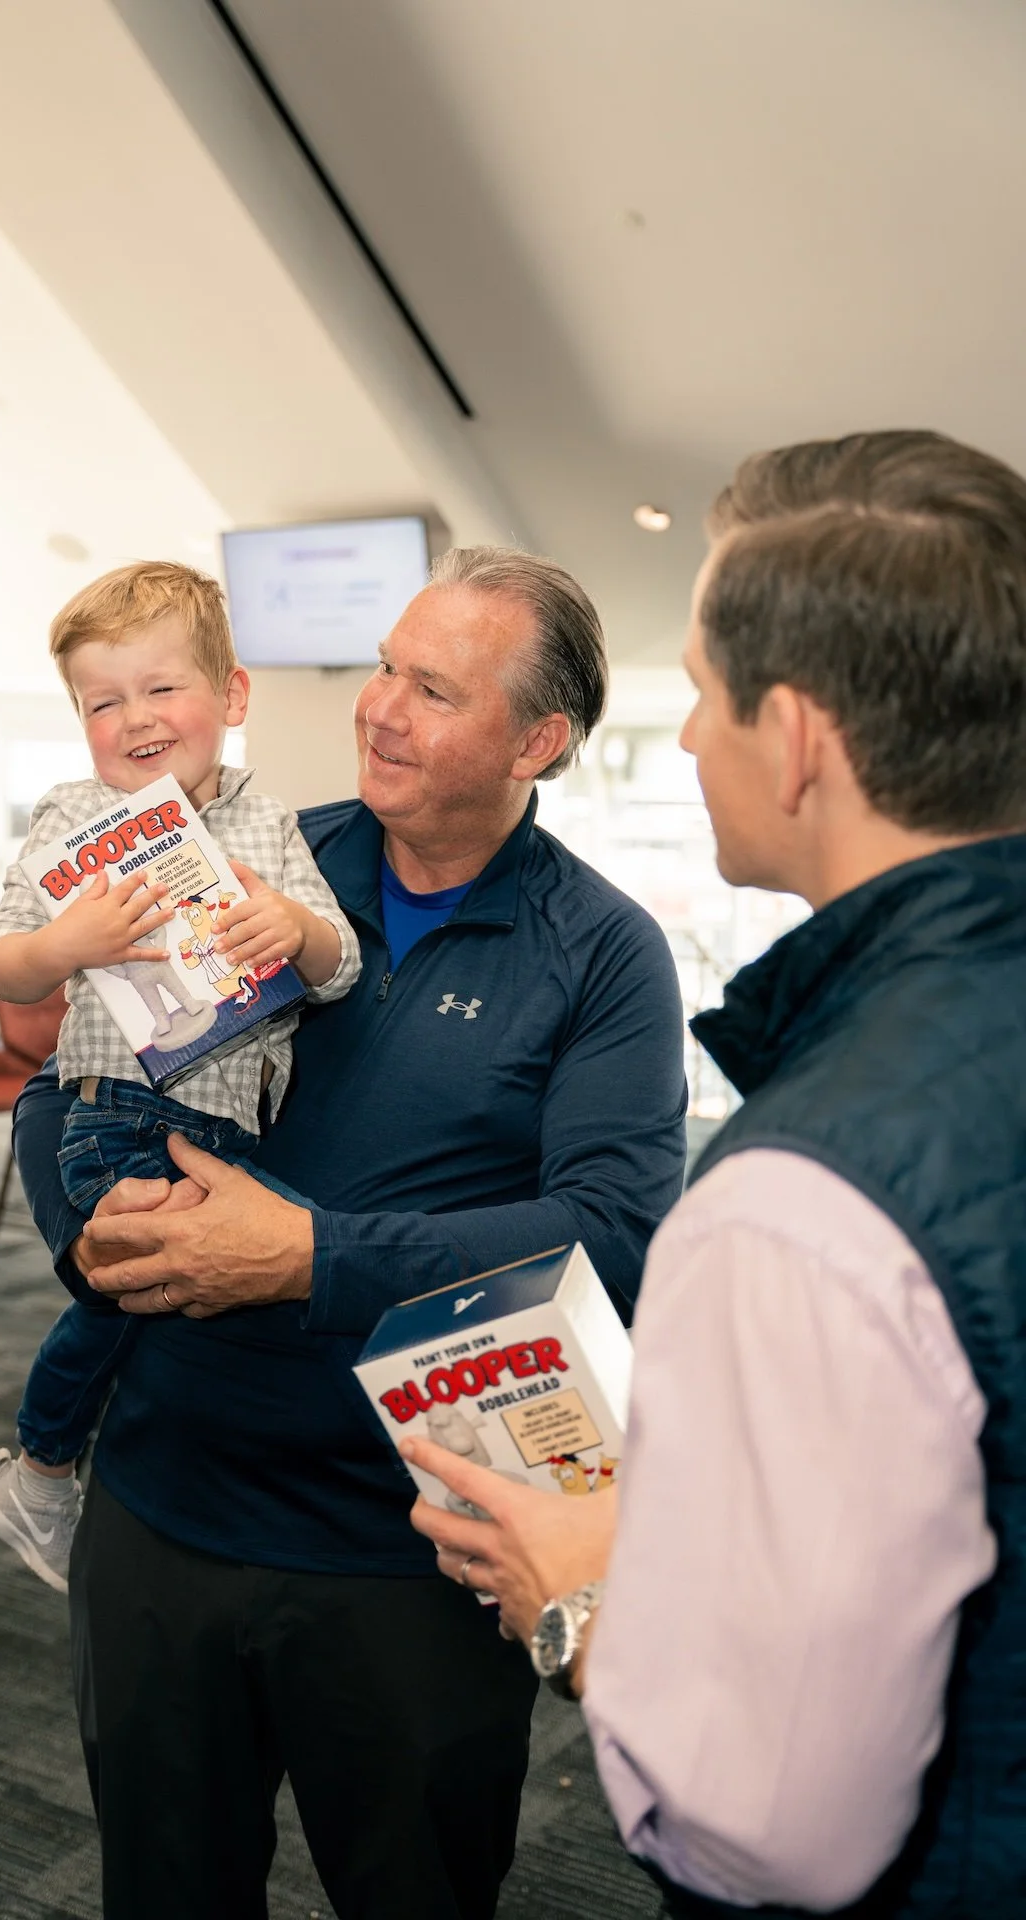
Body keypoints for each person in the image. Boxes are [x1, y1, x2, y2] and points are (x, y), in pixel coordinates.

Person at [11, 546, 689, 1919]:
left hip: (413, 1550)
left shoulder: (603, 952)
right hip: (164, 1509)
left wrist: (312, 1255)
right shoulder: (254, 853)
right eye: (384, 665)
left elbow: (612, 1237)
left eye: (430, 689)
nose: (378, 708)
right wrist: (88, 1225)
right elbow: (68, 1072)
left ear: (536, 741)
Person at [408, 430, 1026, 1919]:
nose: (685, 736)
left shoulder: (804, 1203)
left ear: (797, 736)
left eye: (701, 687)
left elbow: (768, 1824)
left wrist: (584, 1582)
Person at [0, 561, 360, 1590]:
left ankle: (189, 1492)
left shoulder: (268, 825)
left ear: (230, 697)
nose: (135, 719)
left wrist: (296, 929)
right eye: (104, 702)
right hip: (112, 1112)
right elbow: (0, 965)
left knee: (291, 1274)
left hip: (229, 1126)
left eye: (161, 689)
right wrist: (68, 941)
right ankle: (44, 1467)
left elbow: (341, 970)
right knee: (131, 1282)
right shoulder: (69, 817)